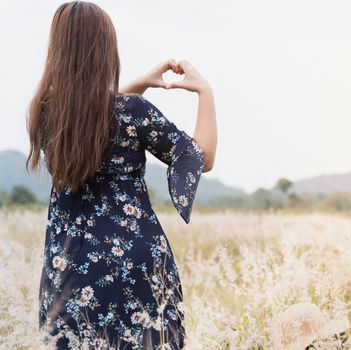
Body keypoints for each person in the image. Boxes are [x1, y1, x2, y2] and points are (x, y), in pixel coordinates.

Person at [25, 1, 217, 349]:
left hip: (68, 268)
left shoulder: (44, 113)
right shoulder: (134, 112)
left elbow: (93, 116)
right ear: (106, 51)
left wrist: (139, 82)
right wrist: (205, 91)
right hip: (137, 265)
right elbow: (200, 157)